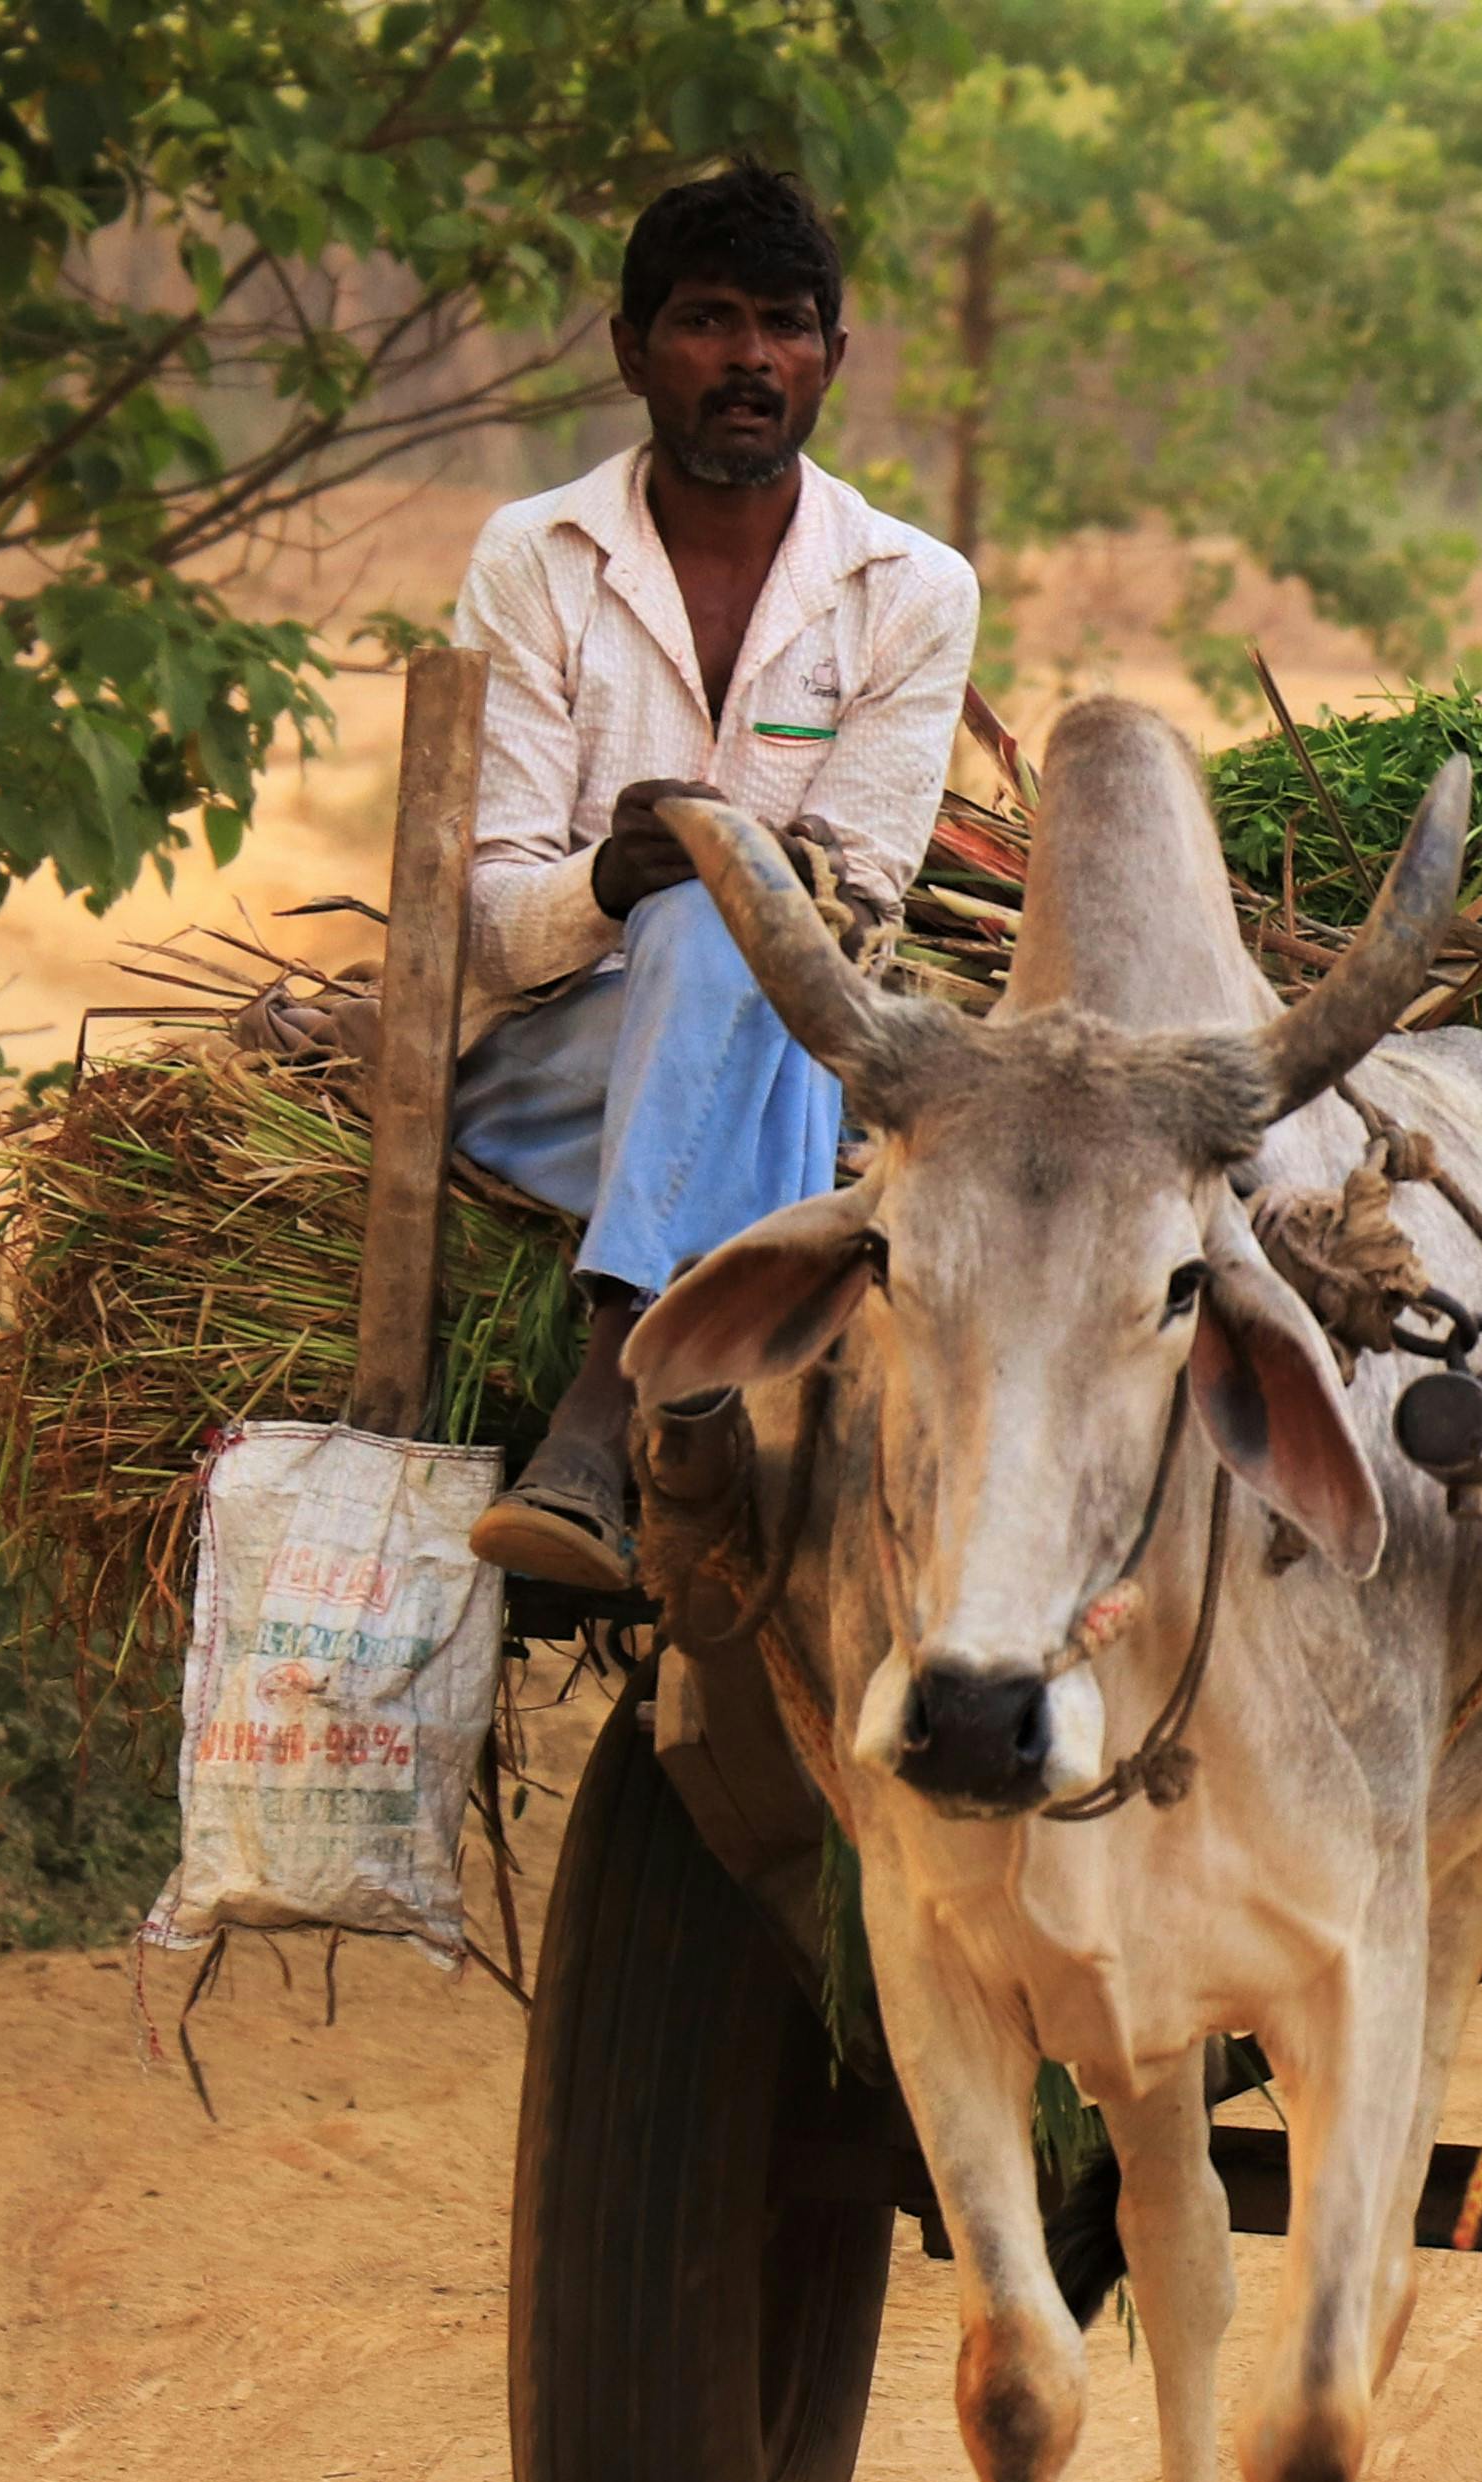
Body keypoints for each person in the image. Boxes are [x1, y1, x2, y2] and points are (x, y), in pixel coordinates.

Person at [441, 165, 978, 1591]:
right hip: (544, 1085)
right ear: (630, 350)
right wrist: (616, 886)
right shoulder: (536, 560)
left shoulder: (912, 589)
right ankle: (651, 1394)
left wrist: (726, 882)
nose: (751, 359)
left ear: (832, 359)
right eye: (706, 321)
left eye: (788, 326)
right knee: (695, 914)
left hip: (784, 1067)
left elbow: (856, 907)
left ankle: (607, 1395)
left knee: (729, 923)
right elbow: (484, 925)